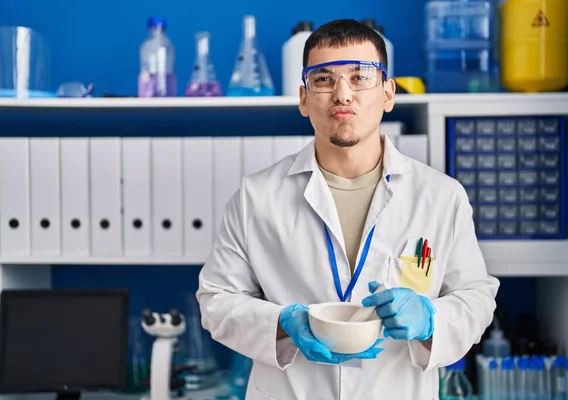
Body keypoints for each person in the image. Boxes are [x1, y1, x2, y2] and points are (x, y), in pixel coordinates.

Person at [197, 18, 500, 400]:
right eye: (323, 79)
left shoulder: (441, 196)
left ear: (388, 94)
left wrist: (430, 319)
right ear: (304, 99)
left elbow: (475, 297)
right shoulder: (256, 196)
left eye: (361, 77)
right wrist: (283, 323)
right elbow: (216, 300)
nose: (343, 94)